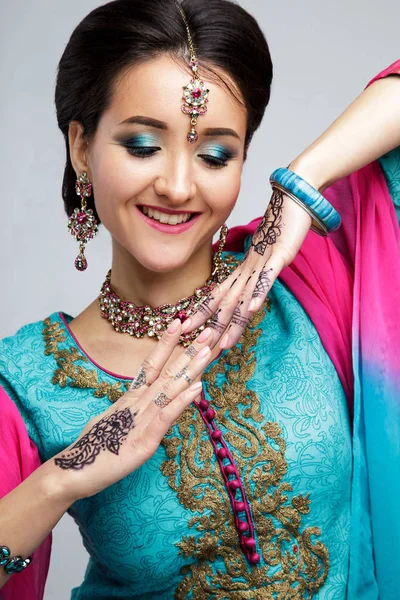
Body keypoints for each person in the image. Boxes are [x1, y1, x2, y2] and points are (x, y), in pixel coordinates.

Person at [0, 0, 399, 598]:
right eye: (141, 145)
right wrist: (61, 479)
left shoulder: (307, 282)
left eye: (216, 154)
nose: (179, 186)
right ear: (82, 147)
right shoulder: (27, 383)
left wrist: (301, 184)